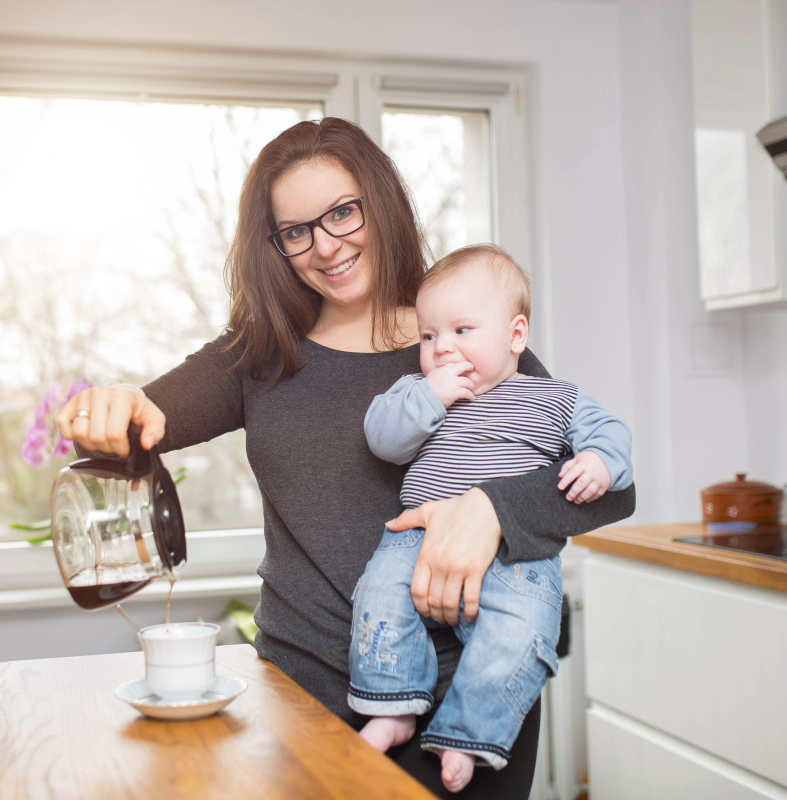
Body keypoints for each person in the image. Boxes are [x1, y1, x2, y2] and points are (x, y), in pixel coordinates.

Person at [54, 117, 636, 799]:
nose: (325, 246)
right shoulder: (257, 354)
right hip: (303, 697)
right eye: (296, 231)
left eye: (342, 213)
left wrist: (492, 510)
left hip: (468, 702)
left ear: (379, 202)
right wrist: (111, 408)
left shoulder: (459, 342)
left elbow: (611, 486)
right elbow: (142, 417)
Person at [350, 244, 633, 793]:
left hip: (516, 557)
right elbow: (381, 438)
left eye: (461, 331)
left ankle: (468, 731)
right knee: (379, 594)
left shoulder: (555, 397)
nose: (442, 349)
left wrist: (600, 460)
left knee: (522, 631)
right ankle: (393, 704)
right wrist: (429, 396)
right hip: (417, 538)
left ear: (516, 336)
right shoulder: (418, 391)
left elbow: (611, 430)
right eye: (429, 337)